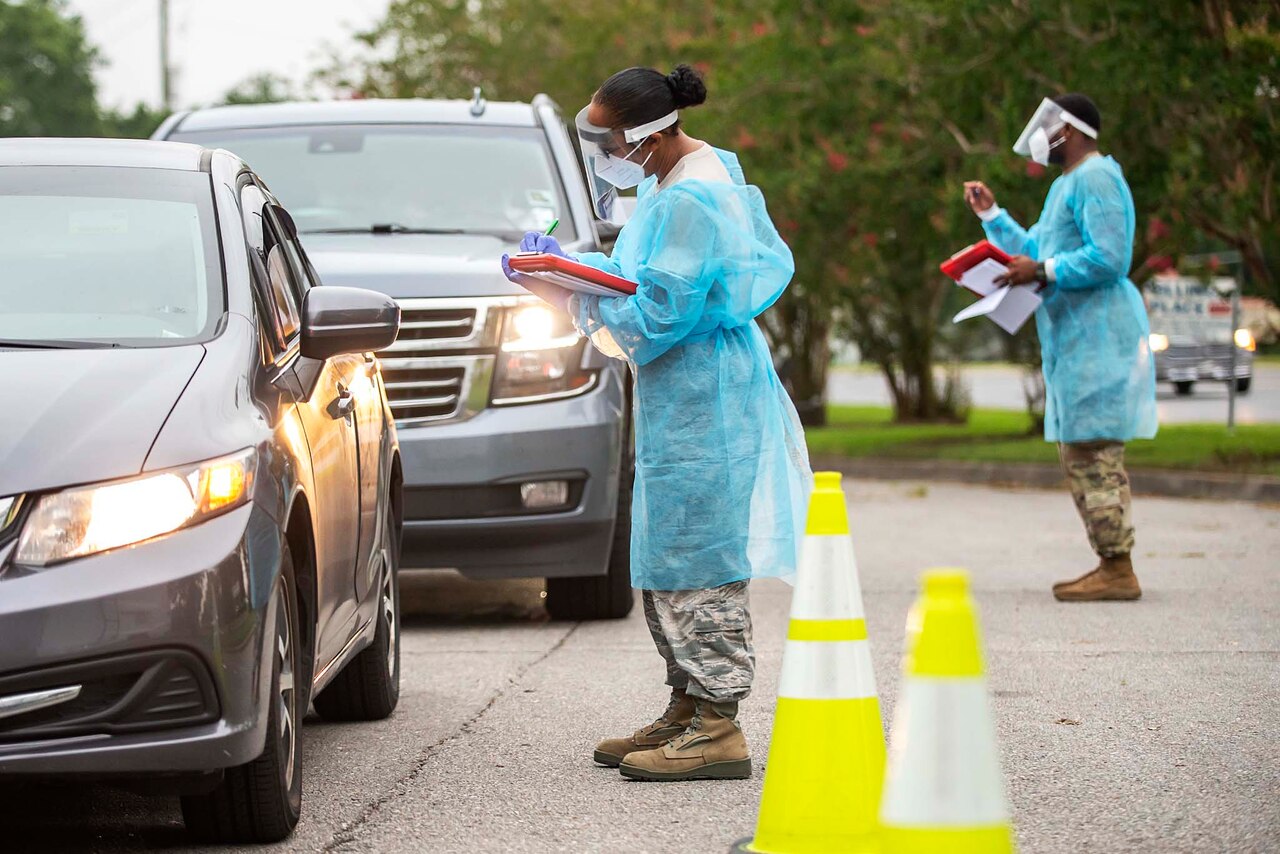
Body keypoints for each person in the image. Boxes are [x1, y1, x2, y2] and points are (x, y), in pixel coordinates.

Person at [502, 64, 812, 781]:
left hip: (704, 393)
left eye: (604, 138)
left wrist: (564, 292)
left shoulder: (691, 198)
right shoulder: (682, 180)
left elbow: (659, 316)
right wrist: (583, 268)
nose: (599, 153)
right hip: (691, 392)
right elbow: (657, 281)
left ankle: (717, 726)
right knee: (671, 551)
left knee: (701, 559)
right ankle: (688, 702)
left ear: (643, 135)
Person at [964, 93, 1157, 602]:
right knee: (1080, 449)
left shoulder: (1095, 177)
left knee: (1094, 449)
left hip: (1097, 338)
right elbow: (1036, 252)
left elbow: (1110, 257)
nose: (1043, 137)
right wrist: (994, 217)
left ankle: (1117, 567)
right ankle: (1111, 561)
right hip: (1074, 340)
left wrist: (1044, 271)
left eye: (1050, 127)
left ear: (1068, 130)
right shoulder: (1067, 184)